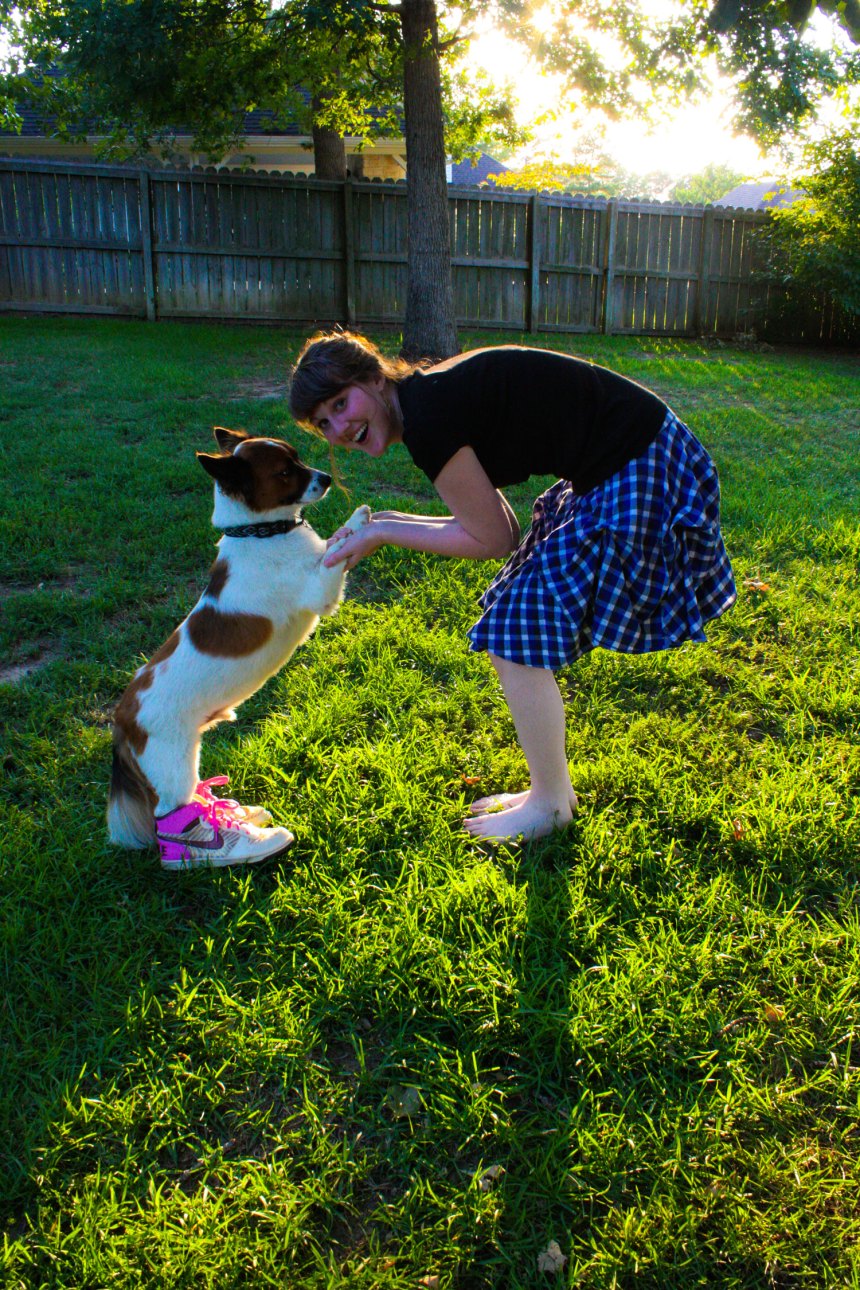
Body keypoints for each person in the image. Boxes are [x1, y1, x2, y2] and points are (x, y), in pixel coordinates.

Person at [288, 332, 736, 843]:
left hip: (640, 464)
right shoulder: (424, 400)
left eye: (341, 403)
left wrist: (385, 532)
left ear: (373, 377)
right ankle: (550, 794)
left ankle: (549, 804)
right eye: (323, 422)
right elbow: (495, 521)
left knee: (512, 634)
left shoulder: (429, 418)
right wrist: (381, 523)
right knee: (514, 617)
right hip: (635, 454)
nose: (340, 427)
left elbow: (493, 538)